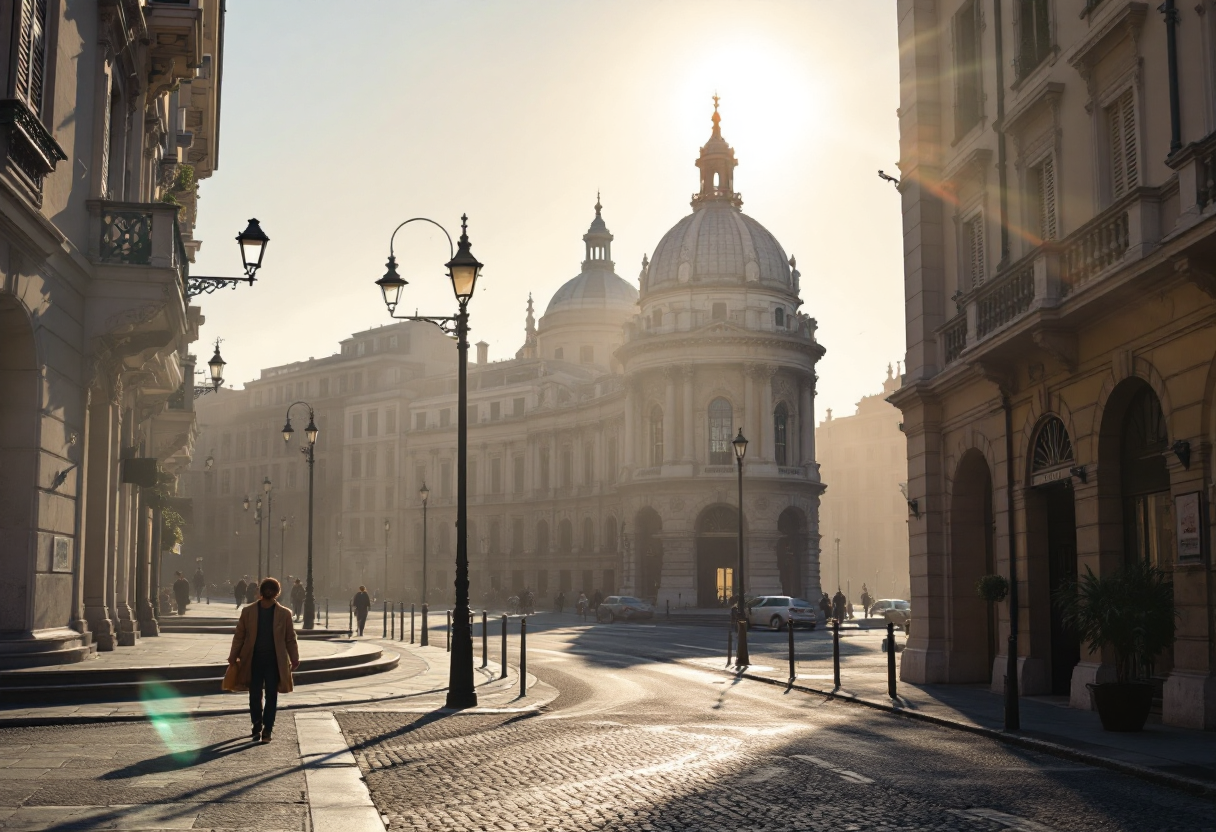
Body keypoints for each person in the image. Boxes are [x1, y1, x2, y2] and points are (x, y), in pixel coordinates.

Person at [225, 577, 300, 744]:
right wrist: (233, 655)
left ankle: (267, 727)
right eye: (267, 590)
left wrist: (294, 657)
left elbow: (290, 638)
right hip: (253, 660)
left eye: (270, 590)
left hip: (274, 661)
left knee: (270, 694)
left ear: (275, 593)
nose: (268, 593)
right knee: (255, 694)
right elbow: (240, 635)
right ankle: (258, 723)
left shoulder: (284, 614)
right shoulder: (248, 611)